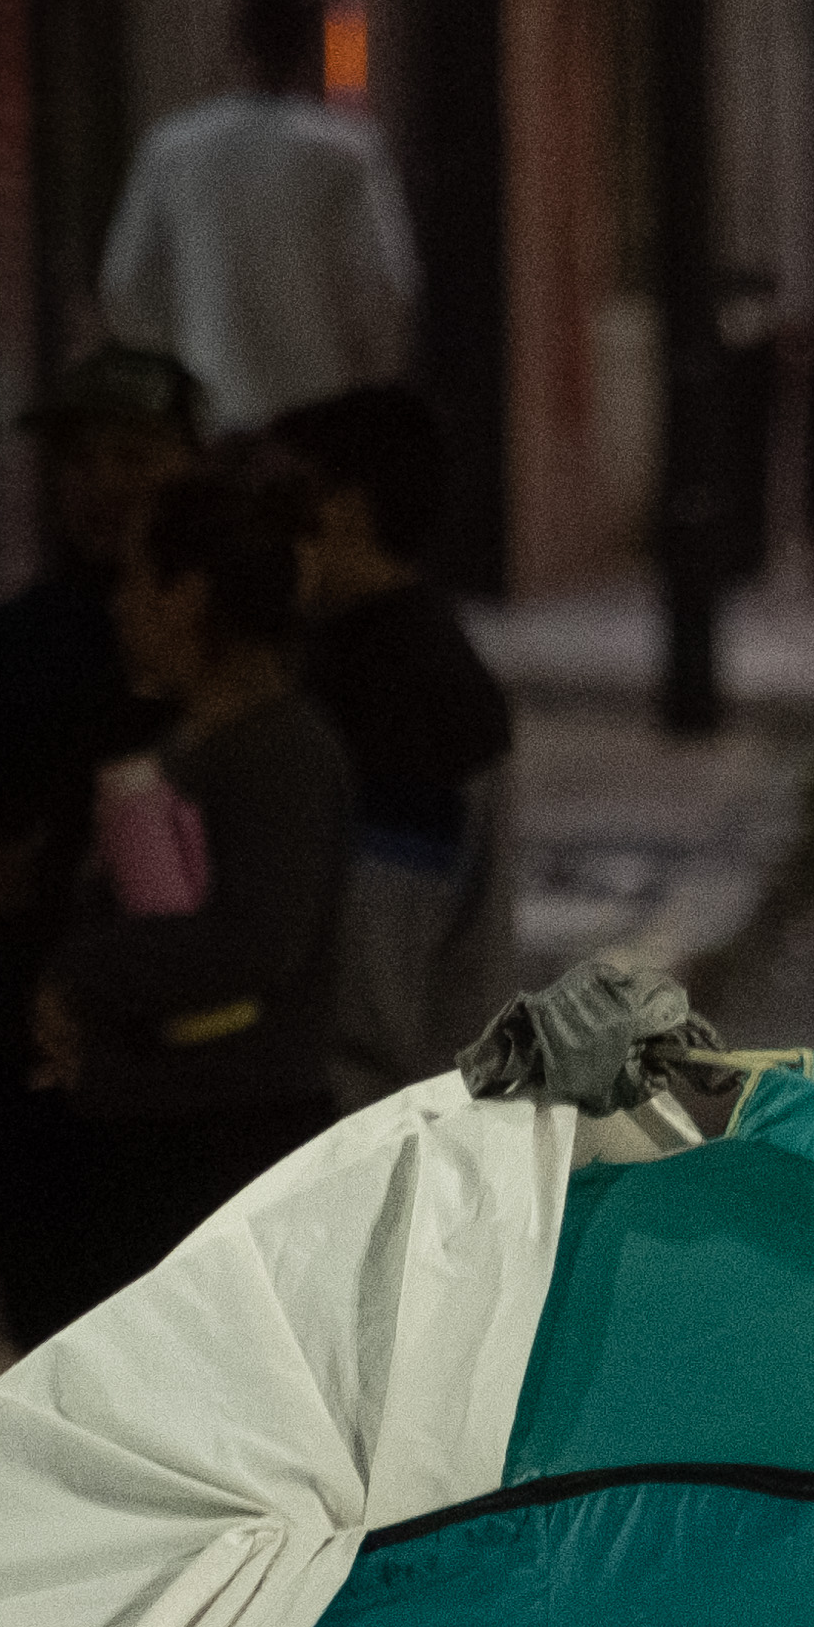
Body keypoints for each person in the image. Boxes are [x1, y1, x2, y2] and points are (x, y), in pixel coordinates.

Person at [0, 346, 193, 1349]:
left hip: (183, 1097)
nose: (101, 485)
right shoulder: (15, 649)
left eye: (131, 455)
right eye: (79, 460)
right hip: (33, 1088)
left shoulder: (241, 664)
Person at [32, 451, 353, 1307]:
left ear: (195, 595)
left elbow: (251, 942)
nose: (122, 607)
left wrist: (82, 982)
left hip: (223, 1145)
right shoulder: (190, 742)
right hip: (157, 1137)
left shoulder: (280, 753)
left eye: (142, 581)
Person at [265, 384, 516, 1106]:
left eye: (286, 499)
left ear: (343, 508)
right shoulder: (395, 662)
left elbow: (377, 979)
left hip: (383, 1119)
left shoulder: (403, 689)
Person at [97, 0, 418, 428]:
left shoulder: (173, 149)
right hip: (322, 413)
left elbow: (127, 284)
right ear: (307, 48)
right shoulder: (346, 153)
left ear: (235, 44)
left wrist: (179, 364)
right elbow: (385, 289)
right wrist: (367, 379)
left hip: (213, 411)